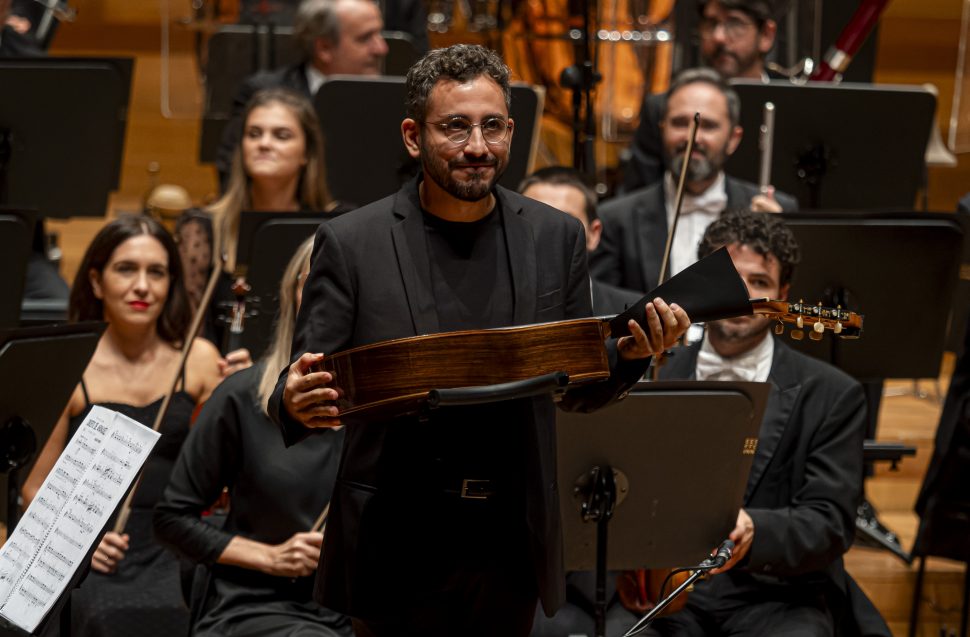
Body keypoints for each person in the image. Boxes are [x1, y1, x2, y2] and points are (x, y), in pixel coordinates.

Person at [269, 44, 691, 636]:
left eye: (493, 126)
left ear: (512, 130)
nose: (477, 146)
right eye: (455, 127)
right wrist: (292, 401)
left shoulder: (556, 237)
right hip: (395, 536)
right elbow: (306, 380)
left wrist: (629, 358)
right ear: (414, 137)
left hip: (511, 537)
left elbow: (575, 388)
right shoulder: (350, 242)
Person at [645, 210, 889, 637]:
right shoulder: (653, 375)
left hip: (778, 596)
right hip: (668, 593)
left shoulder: (832, 394)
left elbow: (829, 522)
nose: (743, 295)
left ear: (783, 293)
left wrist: (756, 530)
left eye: (759, 282)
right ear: (703, 281)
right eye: (731, 278)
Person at [22, 214, 223, 637]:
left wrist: (239, 391)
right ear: (96, 282)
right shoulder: (69, 363)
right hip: (92, 543)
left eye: (157, 272)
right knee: (105, 616)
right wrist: (76, 547)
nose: (142, 287)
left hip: (175, 539)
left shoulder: (200, 359)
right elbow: (34, 488)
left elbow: (225, 470)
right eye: (126, 269)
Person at [154, 237, 352, 637]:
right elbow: (172, 518)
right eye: (317, 282)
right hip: (260, 605)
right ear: (293, 293)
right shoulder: (241, 396)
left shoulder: (395, 410)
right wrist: (271, 557)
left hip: (361, 607)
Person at [590, 68, 797, 295]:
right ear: (661, 130)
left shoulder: (777, 212)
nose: (692, 137)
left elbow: (791, 304)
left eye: (708, 126)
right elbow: (604, 311)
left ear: (733, 139)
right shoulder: (615, 220)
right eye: (679, 123)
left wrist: (775, 236)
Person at [179, 87, 334, 369]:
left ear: (306, 153)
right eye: (254, 134)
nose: (263, 143)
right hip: (222, 384)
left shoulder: (335, 228)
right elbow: (188, 339)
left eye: (281, 135)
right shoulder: (202, 228)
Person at [216, 0, 390, 188]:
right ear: (324, 48)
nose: (381, 48)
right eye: (365, 38)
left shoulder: (392, 97)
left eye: (379, 34)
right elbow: (230, 170)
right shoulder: (263, 92)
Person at [622, 0, 781, 193]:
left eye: (735, 24)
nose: (719, 37)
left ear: (766, 35)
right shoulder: (662, 107)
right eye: (710, 23)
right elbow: (637, 204)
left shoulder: (790, 105)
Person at [519, 166, 641, 315]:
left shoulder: (636, 311)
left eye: (565, 222)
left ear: (594, 234)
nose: (547, 235)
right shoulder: (490, 307)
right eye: (534, 221)